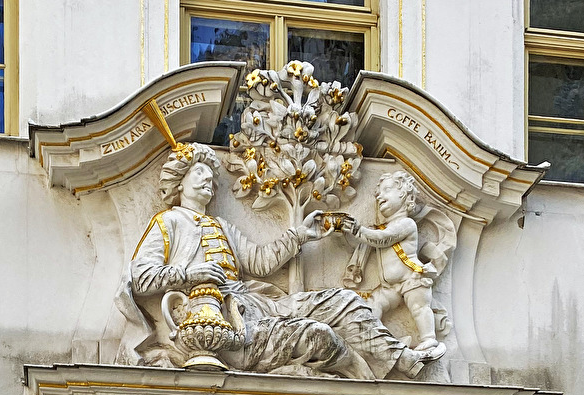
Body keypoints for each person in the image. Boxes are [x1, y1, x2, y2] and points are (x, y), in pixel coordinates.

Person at [117, 143, 441, 379]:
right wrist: (189, 272)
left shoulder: (222, 227)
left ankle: (402, 359)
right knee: (317, 336)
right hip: (227, 322)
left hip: (258, 303)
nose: (208, 180)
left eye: (210, 176)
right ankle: (364, 378)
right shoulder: (169, 222)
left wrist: (301, 234)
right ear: (179, 181)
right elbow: (141, 275)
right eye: (199, 173)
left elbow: (259, 262)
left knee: (344, 300)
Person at [342, 171, 446, 358]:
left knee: (419, 308)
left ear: (404, 194)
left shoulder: (406, 224)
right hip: (389, 286)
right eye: (378, 193)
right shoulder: (383, 228)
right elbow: (363, 243)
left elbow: (382, 239)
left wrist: (358, 229)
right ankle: (376, 340)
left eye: (386, 190)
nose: (379, 196)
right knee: (373, 305)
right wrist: (347, 231)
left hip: (412, 278)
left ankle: (429, 339)